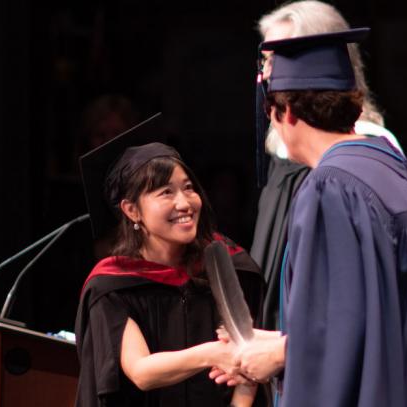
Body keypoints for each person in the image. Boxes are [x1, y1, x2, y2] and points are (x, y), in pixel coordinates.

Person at [217, 29, 407, 406]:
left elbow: (338, 334)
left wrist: (275, 356)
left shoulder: (331, 188)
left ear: (285, 112)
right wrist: (275, 342)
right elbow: (375, 314)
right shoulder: (395, 169)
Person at [75, 116, 265, 407]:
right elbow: (141, 371)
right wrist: (213, 353)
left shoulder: (229, 266)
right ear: (131, 210)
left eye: (188, 187)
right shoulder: (113, 285)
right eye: (166, 192)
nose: (184, 203)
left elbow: (248, 373)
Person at [250, 0, 402, 330]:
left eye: (277, 59)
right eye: (265, 60)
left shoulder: (365, 152)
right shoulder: (283, 151)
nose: (266, 74)